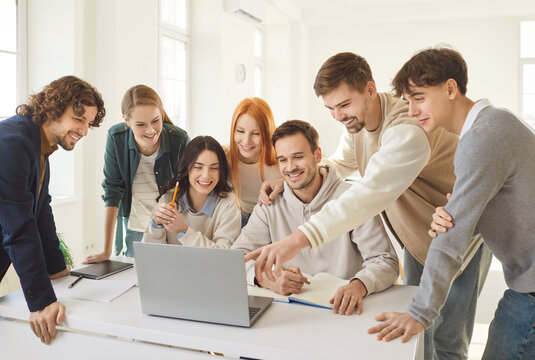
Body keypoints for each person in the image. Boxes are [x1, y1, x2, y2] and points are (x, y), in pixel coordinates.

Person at [248, 52, 492, 359]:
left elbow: (366, 195)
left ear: (371, 90)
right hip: (420, 240)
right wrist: (295, 174)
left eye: (344, 105)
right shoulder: (358, 125)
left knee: (447, 340)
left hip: (460, 239)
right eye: (331, 108)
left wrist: (296, 240)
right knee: (418, 336)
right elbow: (340, 163)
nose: (338, 115)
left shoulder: (408, 129)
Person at [368, 47, 535, 360]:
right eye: (407, 101)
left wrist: (419, 313)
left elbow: (451, 240)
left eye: (419, 97)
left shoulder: (483, 138)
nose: (412, 110)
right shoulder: (495, 123)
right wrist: (456, 210)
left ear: (449, 88)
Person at [232, 120, 399, 315]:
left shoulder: (353, 199)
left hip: (343, 311)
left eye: (298, 157)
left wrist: (359, 285)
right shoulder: (270, 204)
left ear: (317, 155)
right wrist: (265, 280)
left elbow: (386, 261)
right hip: (288, 313)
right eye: (283, 160)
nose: (290, 167)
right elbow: (236, 257)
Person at [0, 76, 105, 344]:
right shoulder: (13, 143)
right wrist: (41, 302)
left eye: (88, 124)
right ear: (53, 108)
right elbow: (18, 225)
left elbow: (41, 211)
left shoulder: (39, 147)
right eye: (78, 119)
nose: (84, 131)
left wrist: (56, 270)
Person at [84, 85, 189, 263]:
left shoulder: (179, 140)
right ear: (126, 120)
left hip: (172, 227)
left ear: (162, 113)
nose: (150, 130)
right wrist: (106, 251)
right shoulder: (116, 137)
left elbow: (189, 188)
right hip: (136, 226)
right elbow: (112, 191)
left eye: (156, 120)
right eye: (140, 124)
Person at [143, 136, 241, 248]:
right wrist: (156, 226)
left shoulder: (229, 204)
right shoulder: (168, 199)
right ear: (187, 168)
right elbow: (149, 254)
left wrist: (183, 230)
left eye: (214, 168)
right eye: (198, 167)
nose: (206, 175)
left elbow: (223, 255)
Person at [226, 97, 280, 227]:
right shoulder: (223, 157)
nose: (246, 141)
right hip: (235, 219)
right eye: (240, 131)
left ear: (267, 134)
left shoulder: (281, 158)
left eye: (256, 134)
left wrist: (285, 183)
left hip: (270, 220)